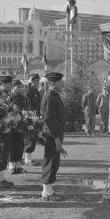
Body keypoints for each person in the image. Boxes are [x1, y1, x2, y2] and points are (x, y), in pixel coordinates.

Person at [40, 72, 66, 201]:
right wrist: (56, 138)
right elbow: (49, 119)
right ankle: (47, 193)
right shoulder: (50, 96)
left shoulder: (54, 95)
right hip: (51, 134)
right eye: (59, 82)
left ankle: (49, 190)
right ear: (52, 83)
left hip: (54, 134)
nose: (61, 84)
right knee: (50, 161)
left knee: (54, 162)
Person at [0, 75, 15, 188]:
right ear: (2, 85)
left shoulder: (8, 96)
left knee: (5, 153)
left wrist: (13, 115)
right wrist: (4, 118)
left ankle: (1, 178)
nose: (11, 86)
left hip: (7, 127)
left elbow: (10, 109)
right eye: (9, 84)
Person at [8, 79, 29, 174]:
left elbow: (25, 110)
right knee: (12, 144)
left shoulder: (22, 98)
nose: (20, 88)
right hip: (10, 123)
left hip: (20, 123)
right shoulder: (9, 97)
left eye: (21, 87)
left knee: (20, 144)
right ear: (13, 86)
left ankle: (18, 165)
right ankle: (12, 166)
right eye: (18, 86)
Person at [24, 73, 41, 164]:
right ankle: (27, 158)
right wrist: (30, 116)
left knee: (33, 137)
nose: (38, 82)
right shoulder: (29, 91)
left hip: (36, 116)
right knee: (30, 137)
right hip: (30, 117)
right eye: (37, 80)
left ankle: (29, 157)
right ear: (33, 81)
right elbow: (28, 105)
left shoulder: (35, 91)